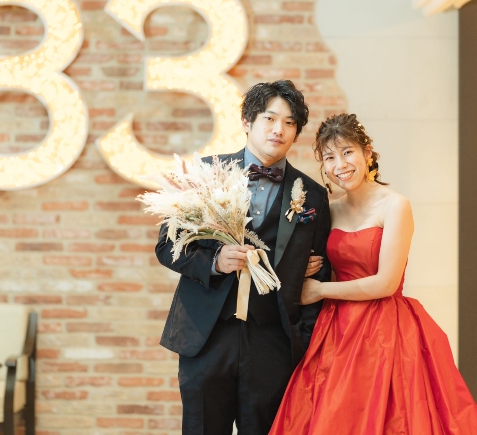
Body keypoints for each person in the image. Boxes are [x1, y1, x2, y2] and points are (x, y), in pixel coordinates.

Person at [270, 113, 477, 435]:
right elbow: (319, 261)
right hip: (335, 328)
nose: (340, 164)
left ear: (367, 153)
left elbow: (386, 282)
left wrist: (320, 290)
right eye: (329, 157)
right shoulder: (330, 209)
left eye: (347, 152)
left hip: (384, 327)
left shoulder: (395, 205)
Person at [155, 80, 332, 435]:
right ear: (247, 122)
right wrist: (215, 262)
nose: (278, 129)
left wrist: (302, 338)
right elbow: (167, 247)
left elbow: (320, 270)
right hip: (208, 334)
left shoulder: (312, 194)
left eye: (289, 123)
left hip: (273, 342)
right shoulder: (206, 173)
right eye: (269, 118)